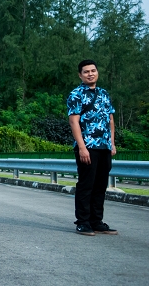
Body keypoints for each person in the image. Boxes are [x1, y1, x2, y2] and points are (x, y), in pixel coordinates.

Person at [67, 59, 118, 236]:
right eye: (86, 71)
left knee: (100, 185)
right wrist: (81, 147)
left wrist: (112, 142)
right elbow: (74, 121)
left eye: (93, 70)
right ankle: (83, 222)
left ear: (97, 72)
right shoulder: (76, 94)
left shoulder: (104, 93)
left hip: (104, 146)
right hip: (87, 146)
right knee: (86, 184)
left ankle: (97, 221)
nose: (90, 74)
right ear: (80, 75)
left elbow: (110, 120)